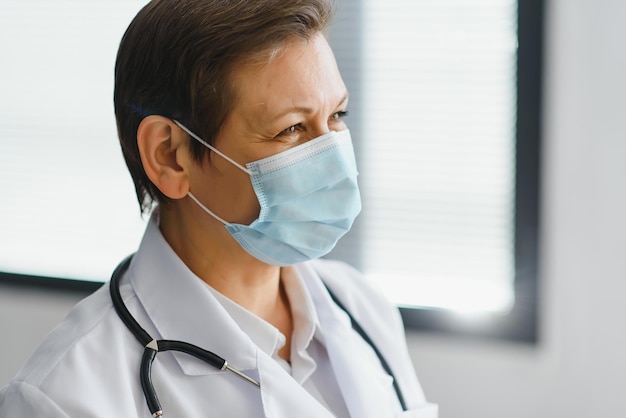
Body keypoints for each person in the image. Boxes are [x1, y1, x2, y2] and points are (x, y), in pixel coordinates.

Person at [0, 0, 438, 416]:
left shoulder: (360, 306)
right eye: (290, 128)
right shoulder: (63, 398)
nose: (332, 154)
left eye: (337, 115)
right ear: (170, 156)